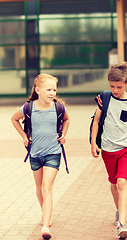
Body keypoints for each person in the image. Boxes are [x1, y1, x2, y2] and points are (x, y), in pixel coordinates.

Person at [90, 62, 127, 238]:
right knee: (114, 183)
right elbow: (97, 120)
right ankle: (118, 209)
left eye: (119, 87)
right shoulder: (104, 97)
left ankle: (122, 224)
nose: (115, 90)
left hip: (126, 148)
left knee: (122, 182)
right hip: (107, 148)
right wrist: (93, 142)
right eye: (112, 86)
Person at [11, 74, 70, 239]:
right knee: (39, 188)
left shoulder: (59, 107)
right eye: (48, 89)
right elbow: (14, 119)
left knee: (47, 187)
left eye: (54, 89)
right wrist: (24, 136)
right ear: (38, 90)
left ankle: (45, 226)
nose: (52, 92)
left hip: (53, 152)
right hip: (35, 154)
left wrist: (63, 135)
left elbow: (66, 120)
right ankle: (46, 212)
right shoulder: (28, 108)